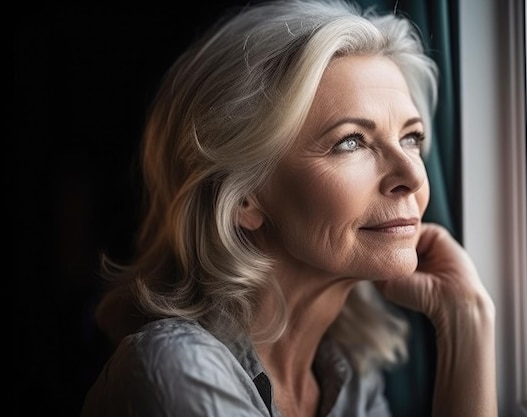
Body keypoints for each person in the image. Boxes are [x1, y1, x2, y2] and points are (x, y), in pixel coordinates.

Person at [81, 0, 497, 416]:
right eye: (351, 141)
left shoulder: (349, 379)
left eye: (411, 137)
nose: (413, 175)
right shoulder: (177, 369)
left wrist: (466, 318)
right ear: (244, 194)